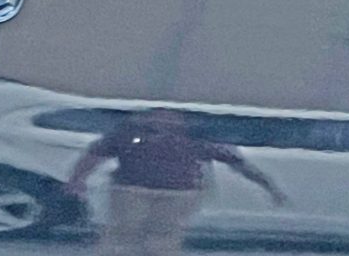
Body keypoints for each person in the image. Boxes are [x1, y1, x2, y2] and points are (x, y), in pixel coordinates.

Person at [65, 108, 286, 255]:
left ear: (182, 118)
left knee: (163, 237)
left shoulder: (199, 136)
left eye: (171, 115)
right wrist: (77, 180)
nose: (163, 119)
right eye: (158, 114)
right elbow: (93, 156)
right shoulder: (127, 133)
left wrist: (268, 186)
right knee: (122, 234)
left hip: (179, 194)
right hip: (130, 190)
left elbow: (237, 162)